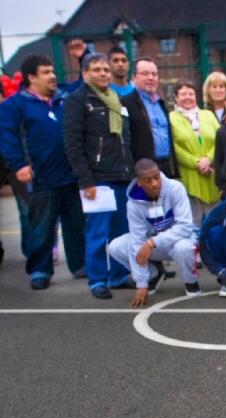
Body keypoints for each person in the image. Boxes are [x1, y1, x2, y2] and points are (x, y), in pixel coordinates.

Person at [0, 54, 86, 290]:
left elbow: (82, 83)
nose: (53, 76)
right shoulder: (14, 105)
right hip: (40, 177)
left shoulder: (63, 98)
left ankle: (80, 264)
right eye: (46, 72)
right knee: (42, 226)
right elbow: (7, 137)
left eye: (53, 71)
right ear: (31, 77)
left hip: (70, 174)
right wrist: (19, 164)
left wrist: (82, 59)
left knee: (76, 224)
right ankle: (40, 269)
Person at [64, 53, 135, 299]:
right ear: (85, 73)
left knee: (121, 231)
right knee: (97, 232)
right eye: (97, 69)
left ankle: (118, 274)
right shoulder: (77, 101)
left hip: (122, 176)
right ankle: (97, 280)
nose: (103, 73)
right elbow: (73, 145)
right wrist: (86, 180)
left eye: (106, 69)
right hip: (97, 179)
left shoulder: (116, 99)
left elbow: (126, 140)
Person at [110, 159, 201, 307]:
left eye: (156, 177)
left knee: (183, 248)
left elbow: (185, 227)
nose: (154, 183)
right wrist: (141, 283)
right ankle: (154, 274)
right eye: (148, 180)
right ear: (139, 182)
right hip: (153, 245)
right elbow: (137, 240)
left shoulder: (175, 188)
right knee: (116, 247)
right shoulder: (133, 204)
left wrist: (152, 242)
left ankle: (190, 281)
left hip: (179, 240)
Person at [169, 80, 221, 227]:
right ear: (176, 97)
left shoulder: (208, 115)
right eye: (183, 94)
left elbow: (221, 139)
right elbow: (174, 147)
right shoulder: (171, 118)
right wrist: (196, 163)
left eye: (191, 93)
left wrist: (209, 159)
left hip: (211, 174)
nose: (188, 97)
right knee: (193, 223)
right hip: (189, 177)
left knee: (215, 222)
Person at [121, 57, 180, 178]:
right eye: (145, 73)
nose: (150, 78)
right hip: (143, 171)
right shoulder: (126, 103)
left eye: (154, 74)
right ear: (134, 77)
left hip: (166, 168)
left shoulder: (161, 103)